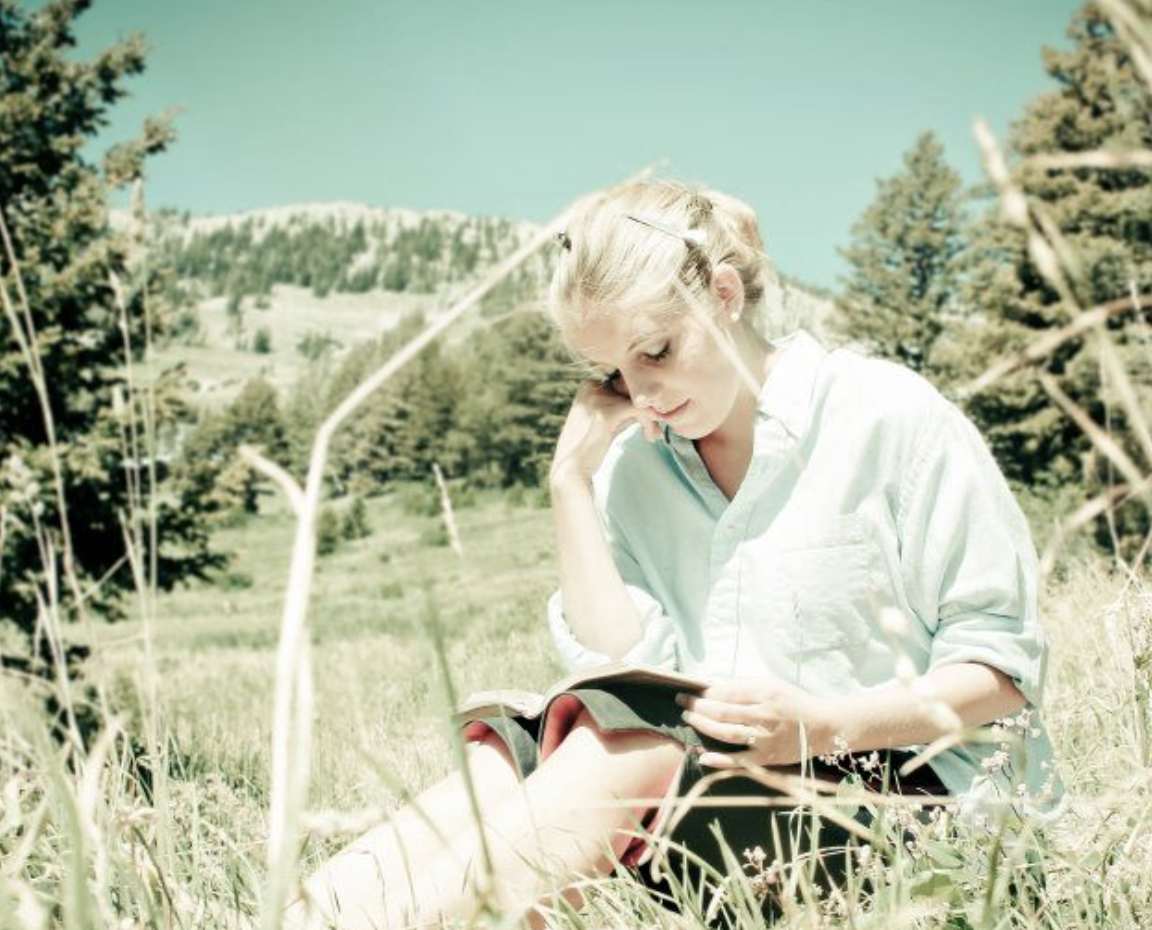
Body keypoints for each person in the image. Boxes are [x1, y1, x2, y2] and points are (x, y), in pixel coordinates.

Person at [284, 179, 1062, 929]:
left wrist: (822, 727)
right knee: (516, 748)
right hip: (734, 804)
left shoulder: (888, 418)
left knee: (636, 740)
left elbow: (1001, 672)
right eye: (613, 372)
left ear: (723, 294)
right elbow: (621, 661)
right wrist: (571, 482)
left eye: (655, 349)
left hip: (927, 820)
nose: (641, 391)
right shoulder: (638, 465)